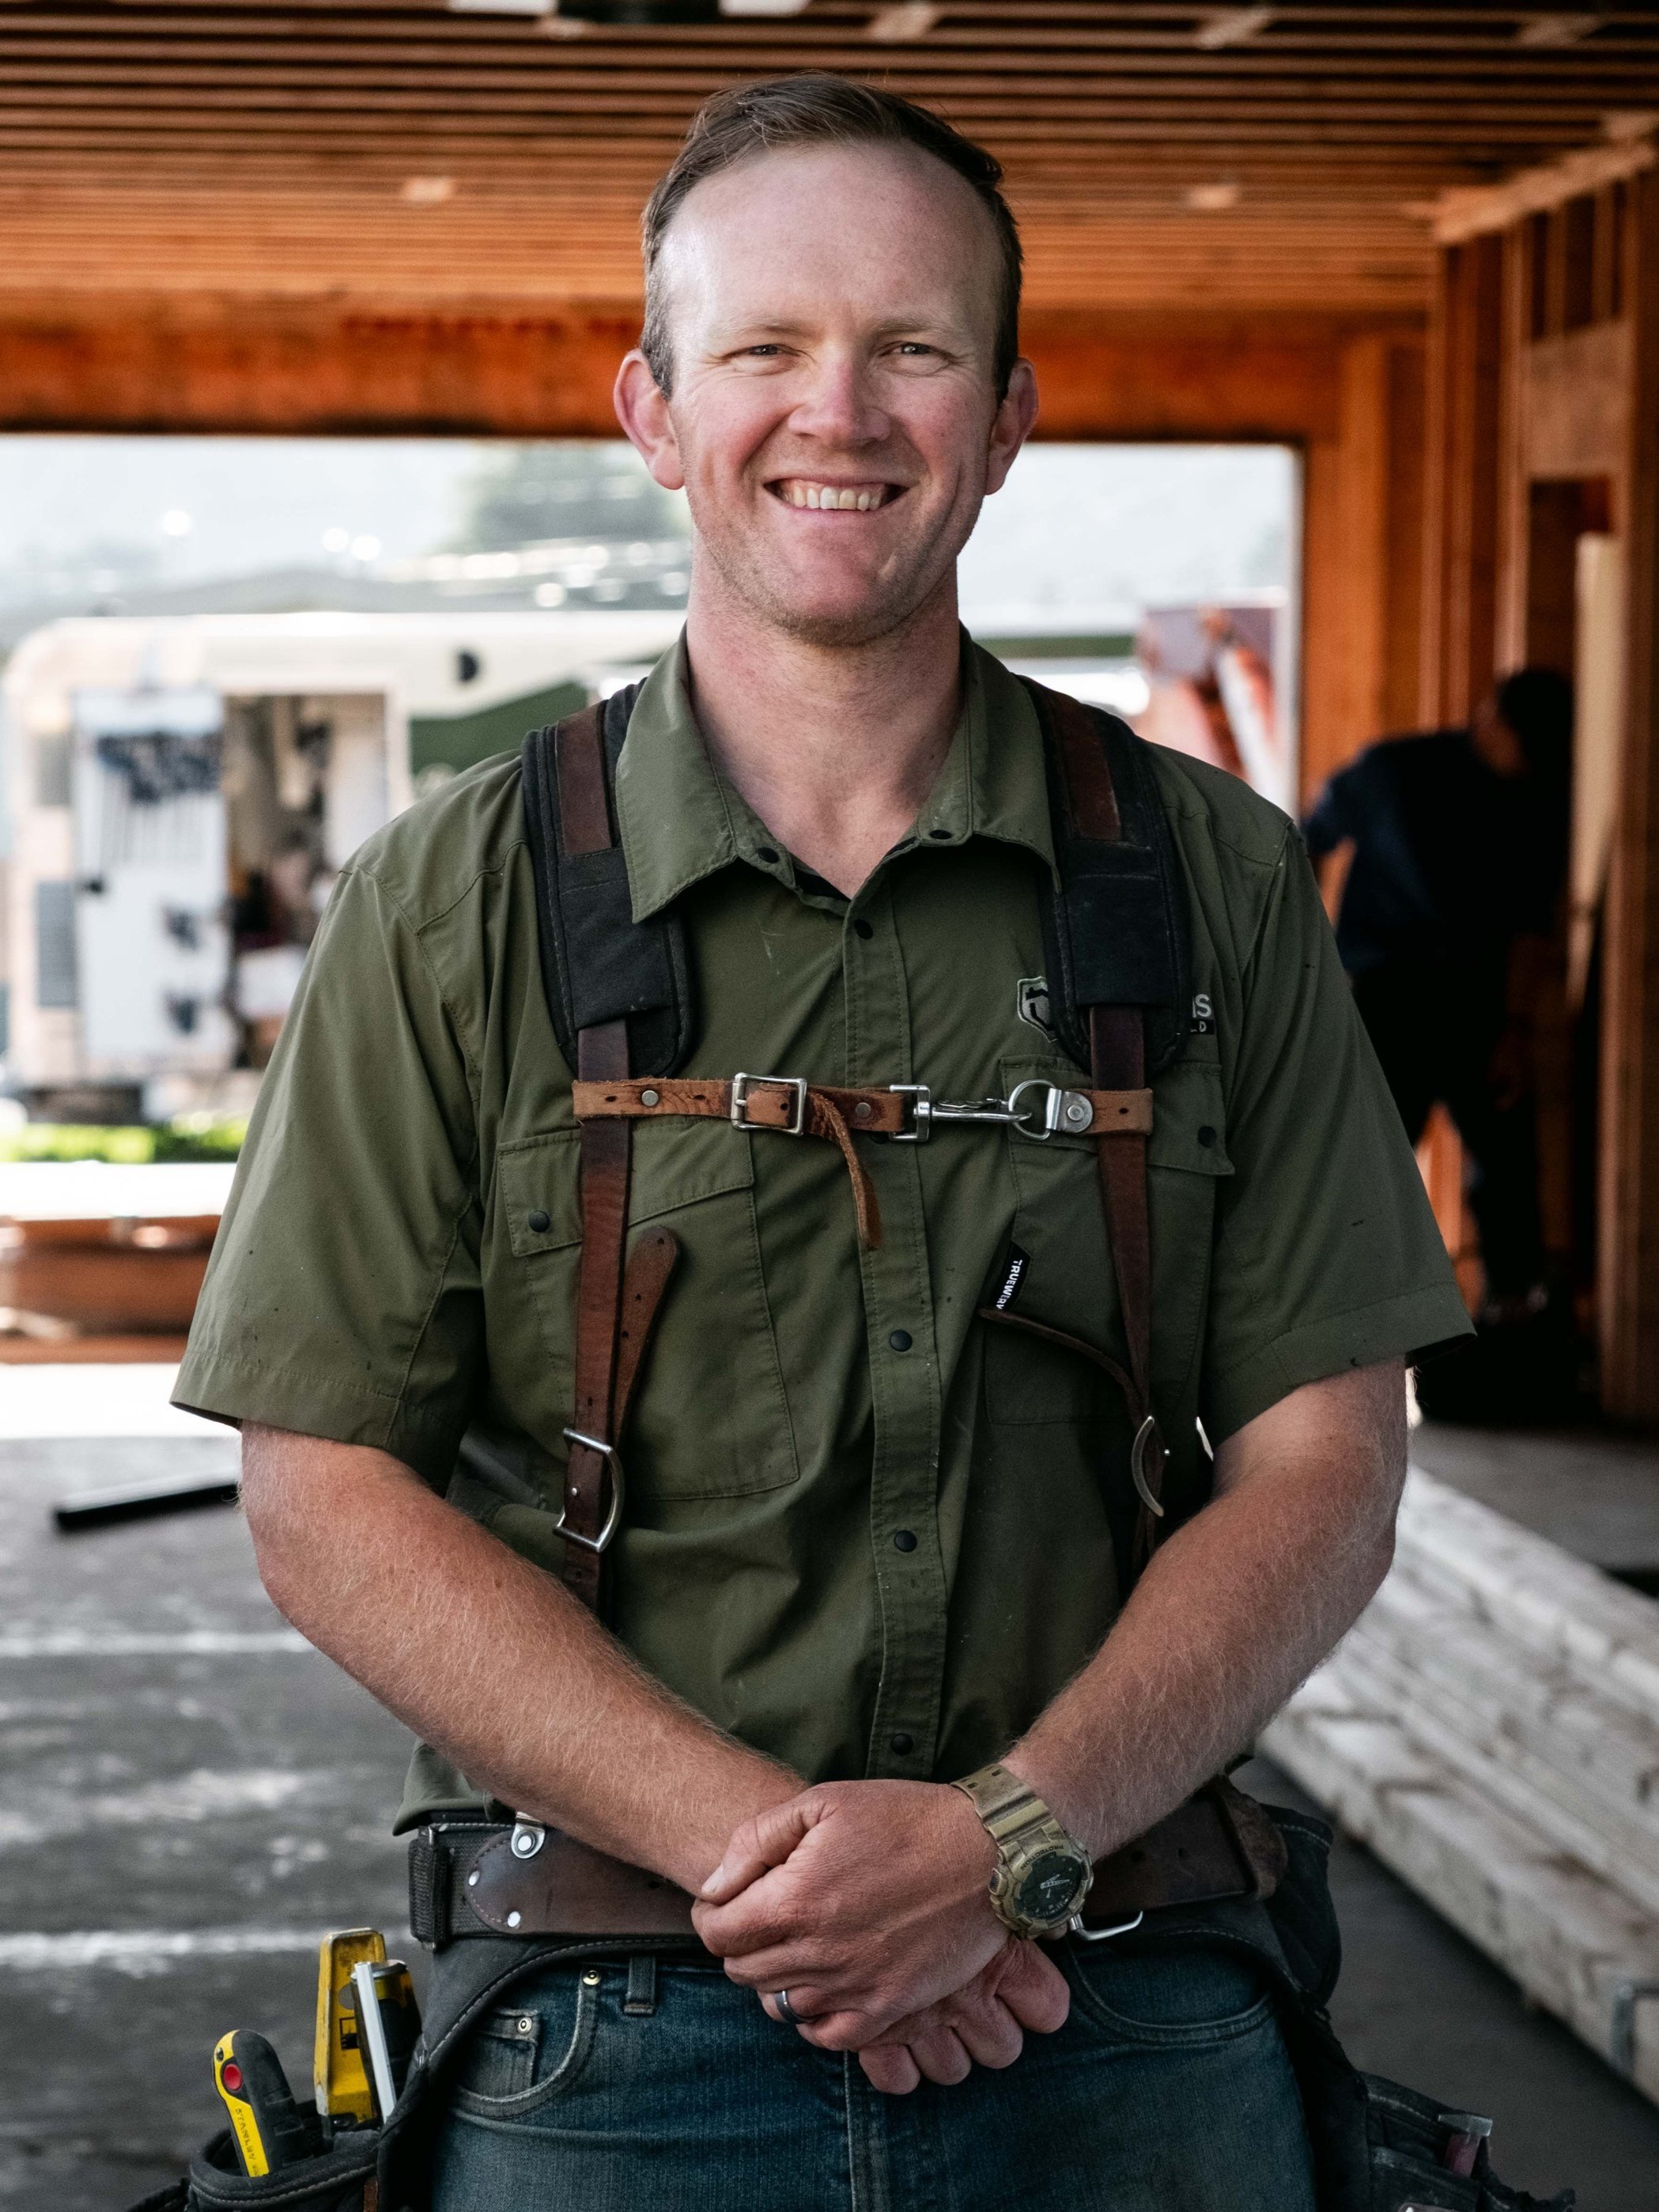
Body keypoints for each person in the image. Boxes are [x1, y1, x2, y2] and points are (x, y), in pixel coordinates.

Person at [176, 75, 1470, 2210]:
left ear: (1012, 407)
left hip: (1124, 1993)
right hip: (615, 2015)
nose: (838, 410)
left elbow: (1327, 1454)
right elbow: (322, 1483)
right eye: (766, 347)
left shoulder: (1211, 878)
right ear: (654, 409)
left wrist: (1007, 1839)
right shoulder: (457, 895)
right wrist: (791, 1872)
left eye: (915, 345)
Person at [1302, 671, 1573, 1318]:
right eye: (1521, 743)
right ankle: (1352, 1311)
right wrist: (1307, 957)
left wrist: (1514, 1030)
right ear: (1491, 720)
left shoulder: (1538, 797)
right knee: (1374, 1158)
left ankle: (1512, 1305)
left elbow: (1531, 929)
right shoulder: (1396, 769)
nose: (1525, 760)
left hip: (1477, 997)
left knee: (1505, 1161)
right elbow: (1308, 838)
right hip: (1387, 991)